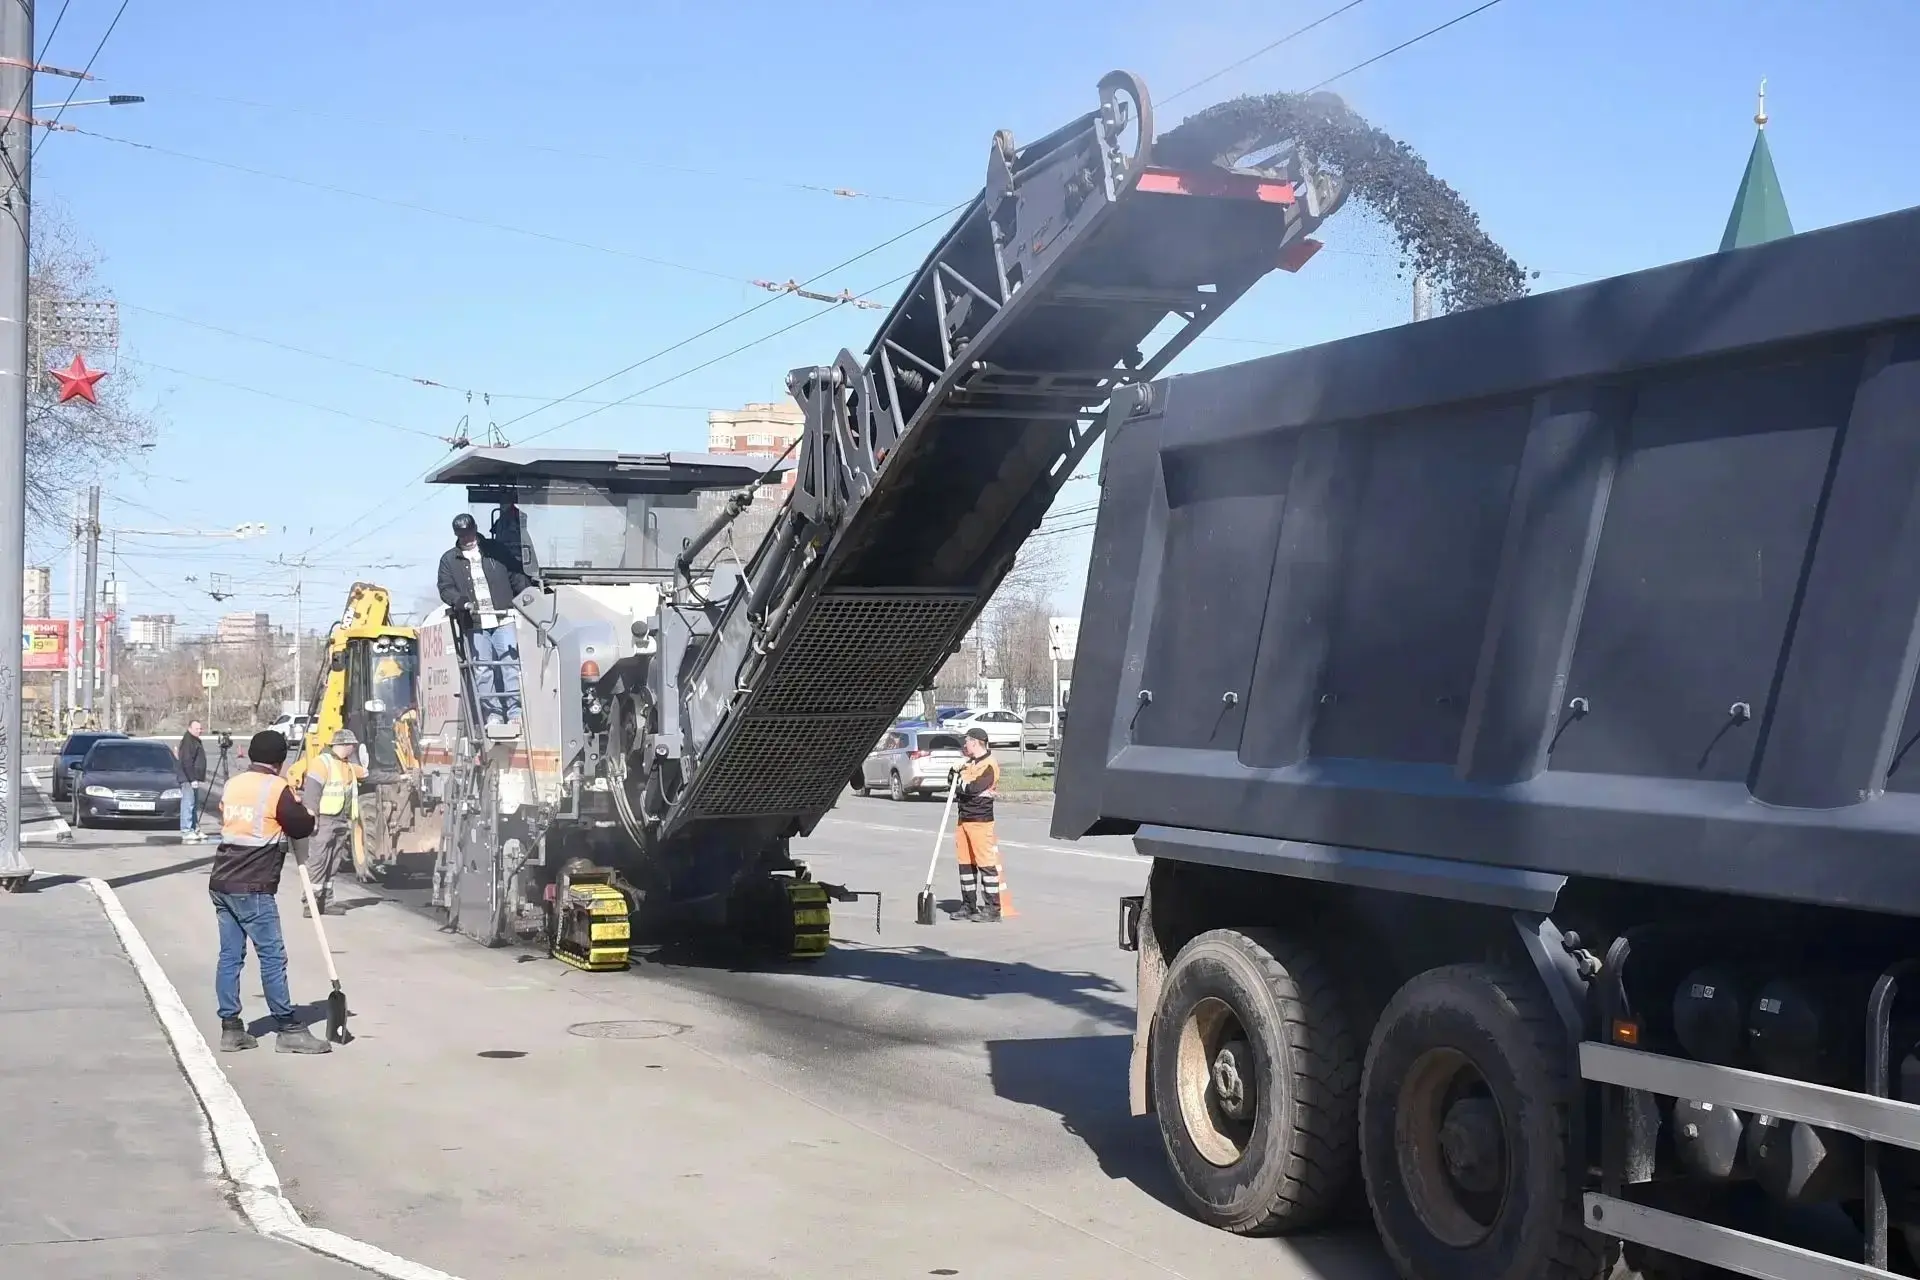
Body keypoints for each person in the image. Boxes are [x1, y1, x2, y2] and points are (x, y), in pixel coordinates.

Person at [207, 730, 330, 1055]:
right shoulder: (276, 788)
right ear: (279, 760)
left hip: (222, 881)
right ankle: (288, 1028)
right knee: (272, 957)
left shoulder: (234, 784)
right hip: (254, 885)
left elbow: (233, 816)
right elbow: (301, 826)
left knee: (230, 957)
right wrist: (307, 812)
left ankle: (231, 1029)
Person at [436, 511, 531, 734]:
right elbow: (445, 588)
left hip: (503, 618)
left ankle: (515, 713)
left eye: (469, 533)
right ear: (457, 535)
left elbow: (515, 576)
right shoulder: (449, 560)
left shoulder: (496, 550)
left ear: (476, 530)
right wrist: (461, 602)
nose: (467, 539)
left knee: (509, 665)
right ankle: (493, 714)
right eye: (462, 535)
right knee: (483, 670)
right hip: (475, 623)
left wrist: (529, 595)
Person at [300, 728, 367, 918]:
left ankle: (326, 902)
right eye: (351, 745)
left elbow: (368, 774)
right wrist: (311, 818)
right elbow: (312, 793)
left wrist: (400, 777)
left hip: (340, 820)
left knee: (333, 861)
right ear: (343, 745)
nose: (353, 748)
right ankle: (310, 903)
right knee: (318, 861)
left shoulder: (347, 766)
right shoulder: (322, 763)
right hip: (324, 821)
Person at [948, 726, 1005, 923]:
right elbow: (952, 782)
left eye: (967, 741)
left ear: (975, 742)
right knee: (965, 864)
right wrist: (954, 772)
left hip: (980, 820)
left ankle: (992, 909)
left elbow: (973, 788)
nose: (965, 745)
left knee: (986, 864)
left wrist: (959, 783)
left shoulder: (989, 765)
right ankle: (968, 905)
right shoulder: (968, 763)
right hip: (963, 818)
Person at [177, 719, 208, 843]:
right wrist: (192, 779)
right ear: (190, 729)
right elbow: (187, 761)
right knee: (188, 804)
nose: (199, 731)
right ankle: (186, 830)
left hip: (192, 778)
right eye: (197, 729)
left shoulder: (195, 740)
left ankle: (194, 828)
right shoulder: (188, 741)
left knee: (194, 805)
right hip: (188, 778)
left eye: (200, 728)